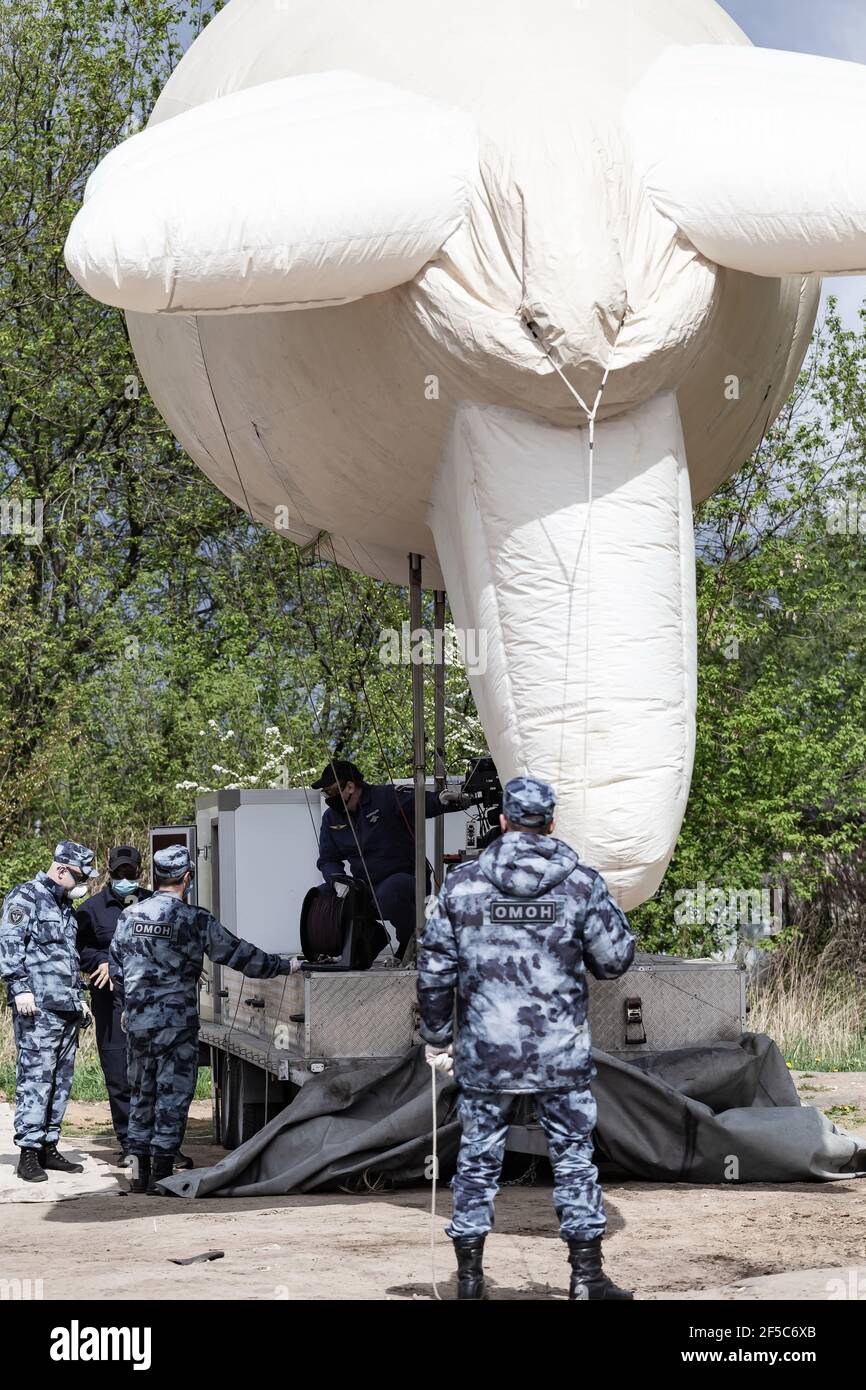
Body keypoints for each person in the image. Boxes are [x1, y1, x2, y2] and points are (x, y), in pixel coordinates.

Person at [417, 776, 636, 1301]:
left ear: (503, 821)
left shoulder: (462, 885)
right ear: (552, 822)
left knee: (477, 1160)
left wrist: (438, 1036)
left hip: (486, 1054)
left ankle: (469, 1281)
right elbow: (614, 961)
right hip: (560, 1054)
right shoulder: (581, 884)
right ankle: (586, 1279)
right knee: (574, 1160)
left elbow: (433, 972)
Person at [109, 844, 301, 1195]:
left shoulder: (128, 917)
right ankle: (163, 1175)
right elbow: (238, 954)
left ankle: (137, 1175)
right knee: (172, 1098)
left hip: (137, 1023)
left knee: (141, 1094)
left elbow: (116, 968)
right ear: (187, 878)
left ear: (155, 877)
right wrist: (284, 966)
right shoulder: (195, 919)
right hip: (176, 1026)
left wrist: (129, 1006)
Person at [0, 841, 98, 1183]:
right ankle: (28, 1151)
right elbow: (10, 944)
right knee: (36, 1079)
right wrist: (18, 986)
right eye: (81, 876)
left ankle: (48, 1145)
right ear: (62, 870)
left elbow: (66, 957)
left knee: (60, 1081)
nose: (84, 883)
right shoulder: (25, 897)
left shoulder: (65, 906)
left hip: (66, 1006)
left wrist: (78, 997)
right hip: (37, 1009)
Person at [312, 759, 469, 957]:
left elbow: (419, 803)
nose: (328, 798)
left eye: (331, 792)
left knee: (390, 891)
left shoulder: (385, 797)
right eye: (325, 793)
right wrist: (338, 882)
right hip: (365, 887)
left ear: (350, 786)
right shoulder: (331, 818)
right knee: (322, 895)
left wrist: (441, 800)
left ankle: (410, 943)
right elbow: (328, 858)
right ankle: (371, 938)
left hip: (406, 882)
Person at [76, 846, 155, 1166]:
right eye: (119, 873)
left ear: (140, 872)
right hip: (111, 1005)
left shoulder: (155, 903)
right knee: (120, 1076)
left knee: (155, 1074)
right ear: (109, 873)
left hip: (152, 1004)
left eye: (130, 873)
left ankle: (161, 1143)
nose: (125, 878)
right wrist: (102, 960)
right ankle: (129, 1143)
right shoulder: (91, 910)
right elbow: (77, 949)